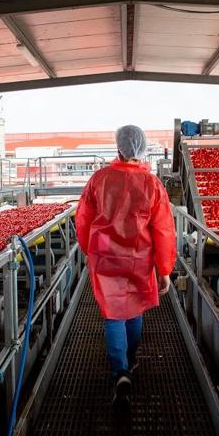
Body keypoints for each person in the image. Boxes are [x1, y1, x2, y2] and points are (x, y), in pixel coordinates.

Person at [75, 125, 177, 409]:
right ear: (142, 150)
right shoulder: (152, 184)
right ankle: (131, 362)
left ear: (118, 148)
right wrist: (164, 269)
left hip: (105, 258)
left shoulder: (100, 179)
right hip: (139, 258)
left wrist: (87, 249)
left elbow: (83, 218)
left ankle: (119, 371)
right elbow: (164, 230)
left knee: (113, 314)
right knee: (134, 308)